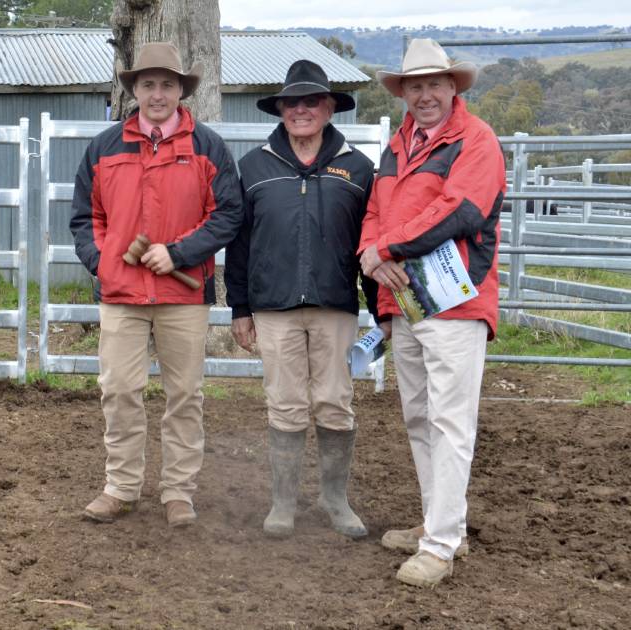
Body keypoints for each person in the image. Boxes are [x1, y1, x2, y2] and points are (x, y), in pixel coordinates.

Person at [70, 42, 244, 529]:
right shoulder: (105, 147)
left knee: (184, 395)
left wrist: (180, 253)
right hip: (122, 294)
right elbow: (87, 218)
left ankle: (178, 491)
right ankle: (121, 487)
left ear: (180, 90)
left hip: (183, 294)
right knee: (120, 390)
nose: (158, 93)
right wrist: (103, 265)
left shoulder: (207, 146)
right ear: (135, 90)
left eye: (167, 84)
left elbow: (228, 213)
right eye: (148, 84)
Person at [360, 38, 505, 587]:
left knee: (449, 420)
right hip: (405, 299)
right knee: (420, 416)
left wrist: (387, 248)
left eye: (433, 85)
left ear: (452, 87)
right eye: (413, 86)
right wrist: (371, 257)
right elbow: (374, 211)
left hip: (456, 301)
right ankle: (439, 526)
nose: (424, 95)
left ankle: (441, 545)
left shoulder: (477, 140)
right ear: (403, 92)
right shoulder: (398, 145)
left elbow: (460, 211)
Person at [225, 60, 380, 540]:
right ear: (281, 110)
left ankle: (335, 499)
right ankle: (283, 503)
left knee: (335, 401)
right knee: (285, 403)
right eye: (292, 103)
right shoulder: (254, 166)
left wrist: (381, 309)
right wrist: (240, 308)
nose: (301, 110)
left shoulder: (358, 169)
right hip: (273, 307)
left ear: (330, 107)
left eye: (311, 101)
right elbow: (240, 242)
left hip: (335, 305)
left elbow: (371, 241)